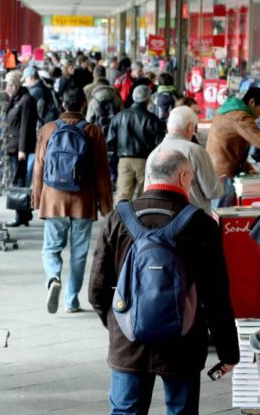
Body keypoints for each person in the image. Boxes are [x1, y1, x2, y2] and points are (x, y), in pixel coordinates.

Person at [89, 149, 239, 415]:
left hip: (128, 343)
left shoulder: (119, 218)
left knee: (126, 411)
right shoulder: (202, 224)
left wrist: (117, 322)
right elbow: (216, 296)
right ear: (182, 177)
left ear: (148, 176)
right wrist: (228, 353)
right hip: (183, 341)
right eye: (191, 179)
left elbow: (97, 290)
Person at [33, 88, 113, 314]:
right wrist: (106, 205)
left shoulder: (48, 129)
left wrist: (37, 199)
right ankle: (71, 300)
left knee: (50, 248)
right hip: (83, 200)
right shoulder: (93, 131)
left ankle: (53, 279)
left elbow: (39, 167)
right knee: (79, 253)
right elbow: (101, 172)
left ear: (63, 105)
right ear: (84, 105)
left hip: (53, 198)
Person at [205, 87, 260, 208]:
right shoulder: (241, 117)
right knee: (221, 215)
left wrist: (247, 167)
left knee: (216, 214)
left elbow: (231, 150)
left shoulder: (228, 111)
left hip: (215, 172)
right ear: (252, 102)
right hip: (224, 176)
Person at [145, 107, 222, 214]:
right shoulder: (195, 151)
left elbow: (147, 192)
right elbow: (212, 192)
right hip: (194, 220)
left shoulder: (153, 155)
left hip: (163, 222)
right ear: (190, 126)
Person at [107, 85, 164, 202]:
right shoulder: (152, 119)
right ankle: (141, 219)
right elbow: (160, 143)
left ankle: (121, 219)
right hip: (145, 161)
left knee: (123, 195)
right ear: (148, 99)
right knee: (145, 195)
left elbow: (110, 142)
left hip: (124, 161)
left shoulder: (119, 117)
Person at [3, 70, 38, 227]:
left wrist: (22, 149)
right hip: (13, 146)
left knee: (18, 181)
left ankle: (20, 214)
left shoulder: (25, 100)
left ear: (15, 85)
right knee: (19, 180)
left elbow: (25, 126)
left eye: (8, 85)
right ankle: (25, 213)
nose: (6, 88)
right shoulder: (16, 99)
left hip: (19, 147)